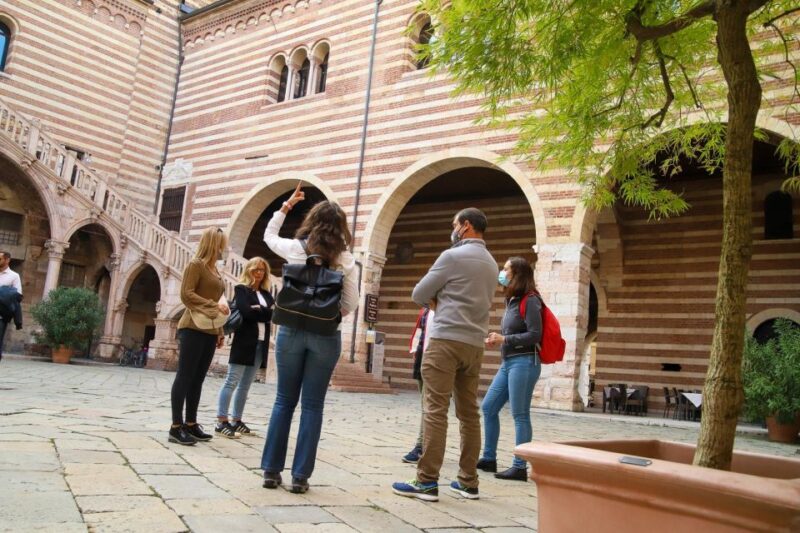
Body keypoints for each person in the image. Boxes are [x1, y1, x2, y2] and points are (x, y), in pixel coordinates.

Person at [392, 207, 498, 502]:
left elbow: (418, 294)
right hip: (474, 345)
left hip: (445, 341)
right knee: (469, 414)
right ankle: (468, 481)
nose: (452, 230)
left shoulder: (452, 256)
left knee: (435, 410)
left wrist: (439, 304)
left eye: (454, 224)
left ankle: (426, 482)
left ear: (465, 226)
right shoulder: (492, 263)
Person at [260, 182, 359, 494]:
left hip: (290, 331)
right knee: (313, 405)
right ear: (340, 227)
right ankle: (301, 477)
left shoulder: (295, 248)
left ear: (312, 222)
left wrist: (285, 207)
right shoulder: (345, 260)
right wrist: (329, 311)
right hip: (325, 335)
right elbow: (351, 304)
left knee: (283, 401)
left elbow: (268, 237)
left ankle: (271, 472)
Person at [478, 256, 542, 481]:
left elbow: (535, 335)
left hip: (525, 362)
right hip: (508, 363)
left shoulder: (531, 300)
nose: (502, 272)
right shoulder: (512, 300)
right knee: (488, 407)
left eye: (506, 269)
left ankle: (519, 467)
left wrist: (504, 339)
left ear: (518, 274)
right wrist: (499, 340)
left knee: (520, 414)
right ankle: (488, 458)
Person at [168, 227, 230, 446]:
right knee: (185, 376)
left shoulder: (216, 270)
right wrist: (212, 305)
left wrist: (220, 331)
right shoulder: (196, 265)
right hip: (192, 327)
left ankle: (191, 424)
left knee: (198, 379)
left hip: (210, 330)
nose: (224, 247)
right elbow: (187, 295)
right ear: (213, 243)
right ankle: (176, 427)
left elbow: (219, 303)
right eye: (222, 242)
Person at [216, 257, 274, 438]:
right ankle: (221, 421)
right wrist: (260, 311)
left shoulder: (266, 294)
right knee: (232, 380)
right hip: (244, 341)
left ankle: (237, 420)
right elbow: (246, 312)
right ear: (248, 270)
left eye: (262, 270)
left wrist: (259, 310)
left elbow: (272, 314)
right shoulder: (241, 289)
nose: (259, 273)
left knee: (246, 385)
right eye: (255, 269)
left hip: (261, 342)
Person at [401, 306, 434, 464]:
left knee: (430, 406)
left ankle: (422, 447)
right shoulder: (425, 309)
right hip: (422, 359)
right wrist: (415, 351)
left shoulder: (446, 306)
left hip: (437, 361)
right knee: (425, 405)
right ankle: (427, 446)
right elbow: (419, 332)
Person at [0, 250, 22, 362]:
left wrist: (3, 293)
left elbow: (18, 296)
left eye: (0, 259)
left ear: (7, 260)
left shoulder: (14, 276)